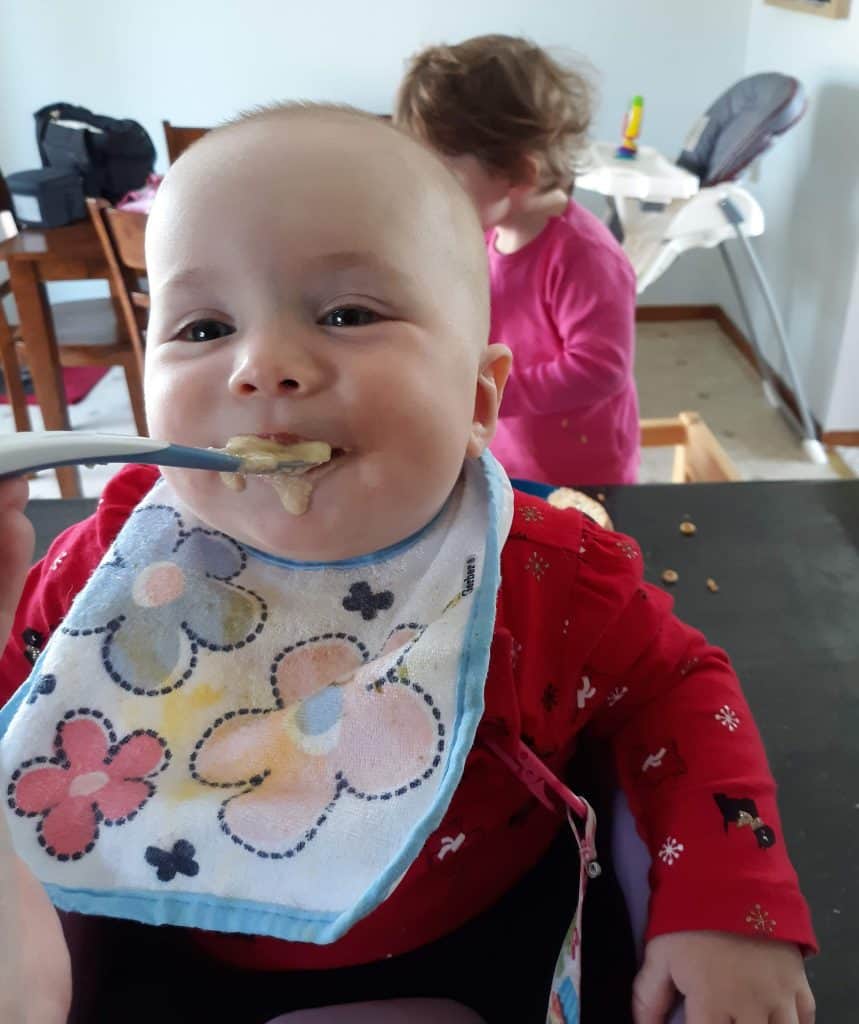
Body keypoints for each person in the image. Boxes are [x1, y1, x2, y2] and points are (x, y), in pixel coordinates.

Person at [0, 105, 815, 1024]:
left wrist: (725, 904)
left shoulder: (549, 578)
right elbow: (28, 711)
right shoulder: (107, 565)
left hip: (465, 951)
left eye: (348, 313)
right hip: (162, 938)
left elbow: (677, 692)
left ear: (476, 401)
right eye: (200, 329)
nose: (262, 367)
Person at [395, 34, 640, 488]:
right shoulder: (486, 231)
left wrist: (497, 393)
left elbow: (601, 368)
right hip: (510, 447)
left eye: (446, 175)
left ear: (520, 175)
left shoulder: (585, 257)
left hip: (582, 465)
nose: (435, 192)